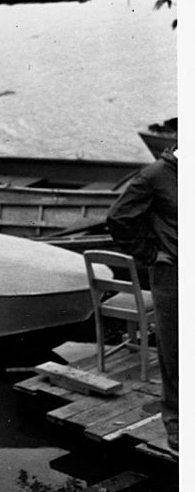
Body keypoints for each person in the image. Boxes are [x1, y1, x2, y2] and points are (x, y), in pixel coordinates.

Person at [107, 144, 178, 452]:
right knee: (176, 352)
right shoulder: (154, 176)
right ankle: (177, 428)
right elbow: (119, 217)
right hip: (173, 276)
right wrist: (149, 253)